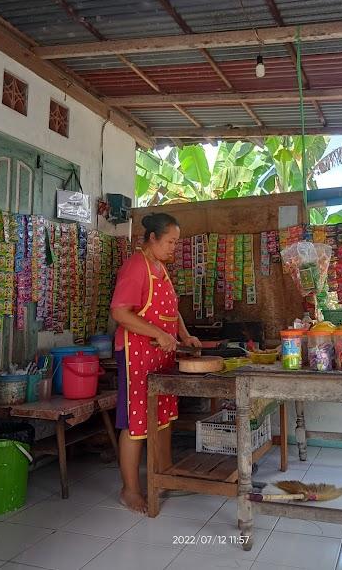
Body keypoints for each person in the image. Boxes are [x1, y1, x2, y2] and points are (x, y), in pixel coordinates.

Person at [110, 213, 201, 512]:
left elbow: (171, 310)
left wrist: (184, 336)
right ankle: (130, 490)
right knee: (136, 423)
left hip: (160, 355)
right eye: (170, 242)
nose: (174, 248)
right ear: (152, 238)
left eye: (176, 242)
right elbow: (120, 313)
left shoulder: (160, 267)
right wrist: (159, 334)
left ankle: (165, 474)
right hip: (136, 354)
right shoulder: (136, 266)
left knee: (162, 416)